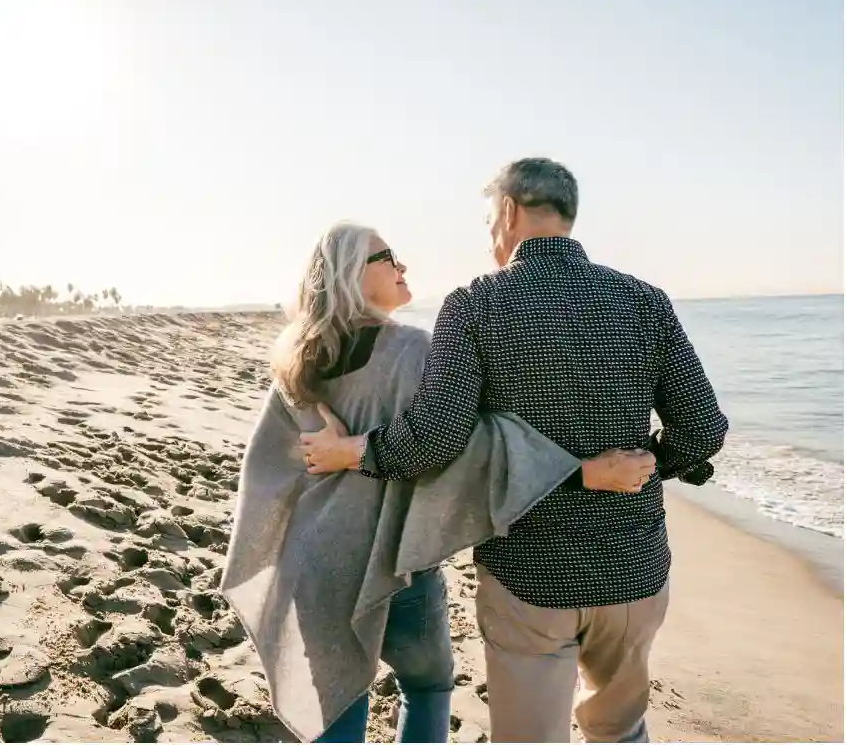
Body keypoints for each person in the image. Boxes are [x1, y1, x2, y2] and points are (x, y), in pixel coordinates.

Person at [299, 159, 730, 744]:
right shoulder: (644, 300)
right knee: (621, 733)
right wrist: (653, 463)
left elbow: (433, 441)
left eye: (487, 219)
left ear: (507, 212)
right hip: (636, 567)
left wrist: (355, 451)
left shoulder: (476, 305)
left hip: (531, 572)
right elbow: (704, 429)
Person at [222, 221, 656, 744]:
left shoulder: (294, 359)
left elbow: (270, 465)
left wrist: (332, 461)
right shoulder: (413, 352)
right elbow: (469, 449)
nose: (402, 265)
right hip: (397, 564)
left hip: (316, 563)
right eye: (387, 257)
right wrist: (586, 471)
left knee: (336, 703)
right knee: (427, 687)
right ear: (350, 275)